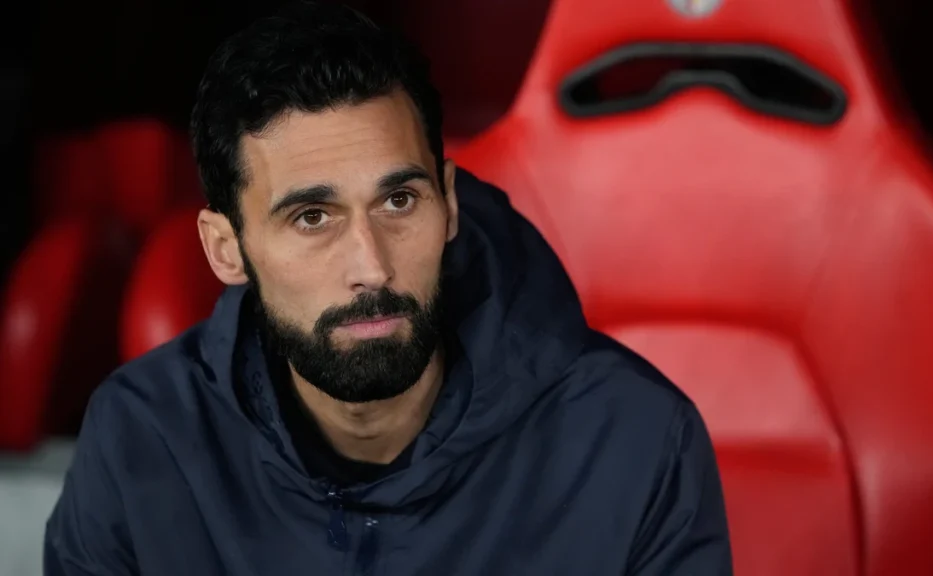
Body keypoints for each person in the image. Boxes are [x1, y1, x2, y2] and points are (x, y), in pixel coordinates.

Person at [44, 2, 732, 574]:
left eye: (399, 201)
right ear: (226, 249)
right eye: (312, 218)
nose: (371, 267)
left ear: (449, 204)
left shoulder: (635, 441)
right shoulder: (141, 440)